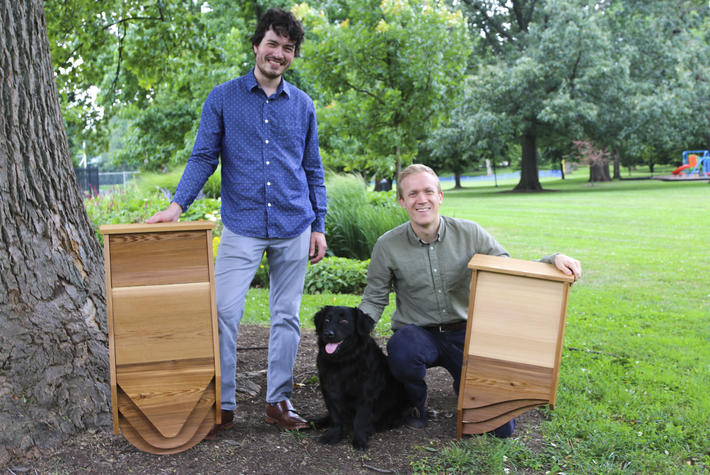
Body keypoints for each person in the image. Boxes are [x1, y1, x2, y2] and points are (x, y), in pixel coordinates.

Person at [146, 8, 327, 433]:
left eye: (287, 48)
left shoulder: (302, 105)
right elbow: (204, 156)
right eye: (272, 44)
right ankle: (222, 404)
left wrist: (318, 224)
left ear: (293, 55)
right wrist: (177, 206)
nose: (278, 54)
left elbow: (313, 168)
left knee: (286, 316)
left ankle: (278, 402)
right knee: (223, 311)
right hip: (242, 225)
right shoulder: (223, 97)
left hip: (294, 225)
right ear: (256, 45)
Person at [358, 164, 581, 435]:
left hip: (467, 334)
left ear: (440, 196)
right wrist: (353, 330)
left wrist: (551, 261)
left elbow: (507, 268)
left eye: (428, 191)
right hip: (417, 334)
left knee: (502, 430)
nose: (422, 199)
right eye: (413, 193)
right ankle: (414, 403)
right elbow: (374, 297)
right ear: (402, 201)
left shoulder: (470, 233)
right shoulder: (387, 245)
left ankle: (464, 388)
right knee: (402, 350)